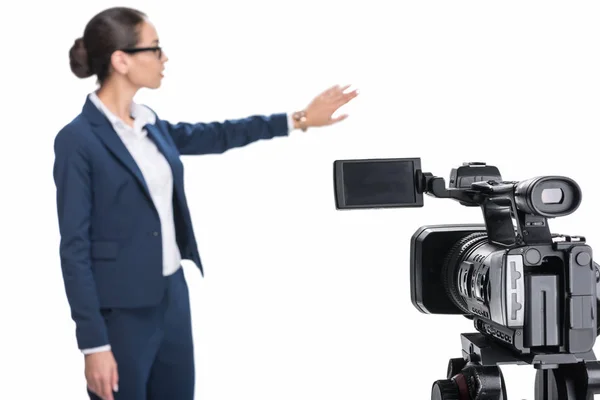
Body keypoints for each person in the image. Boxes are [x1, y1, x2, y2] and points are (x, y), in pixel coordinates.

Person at [54, 6, 358, 400]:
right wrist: (93, 344)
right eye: (155, 48)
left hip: (172, 297)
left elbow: (214, 135)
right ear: (121, 60)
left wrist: (298, 118)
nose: (165, 58)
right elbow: (74, 249)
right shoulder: (78, 140)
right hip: (121, 314)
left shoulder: (148, 124)